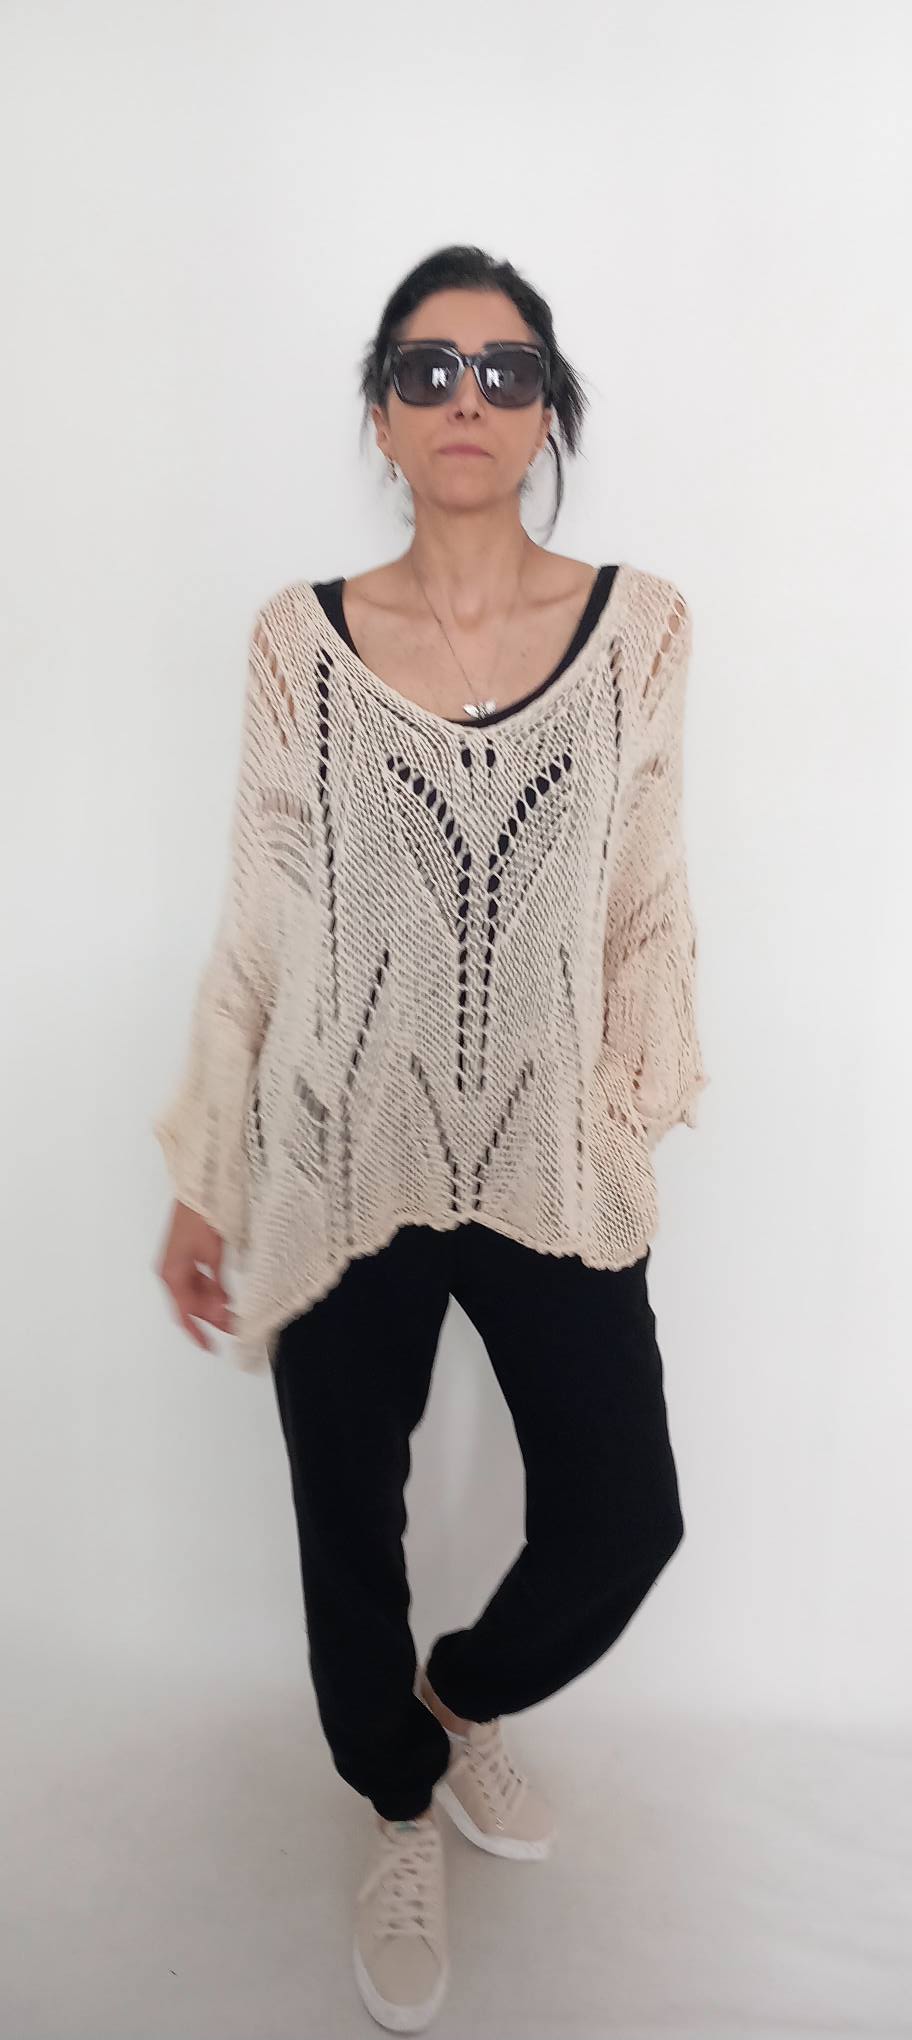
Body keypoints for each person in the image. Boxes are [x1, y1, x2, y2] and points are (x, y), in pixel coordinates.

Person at [153, 242, 708, 2034]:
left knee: (624, 1520)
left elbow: (645, 901)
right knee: (346, 1523)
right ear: (383, 418)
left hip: (552, 1159)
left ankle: (450, 1710)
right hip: (342, 1151)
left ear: (549, 415)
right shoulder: (296, 645)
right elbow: (257, 929)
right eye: (427, 368)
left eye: (506, 371)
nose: (467, 398)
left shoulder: (644, 630)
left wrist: (625, 1116)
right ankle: (395, 1804)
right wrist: (208, 1177)